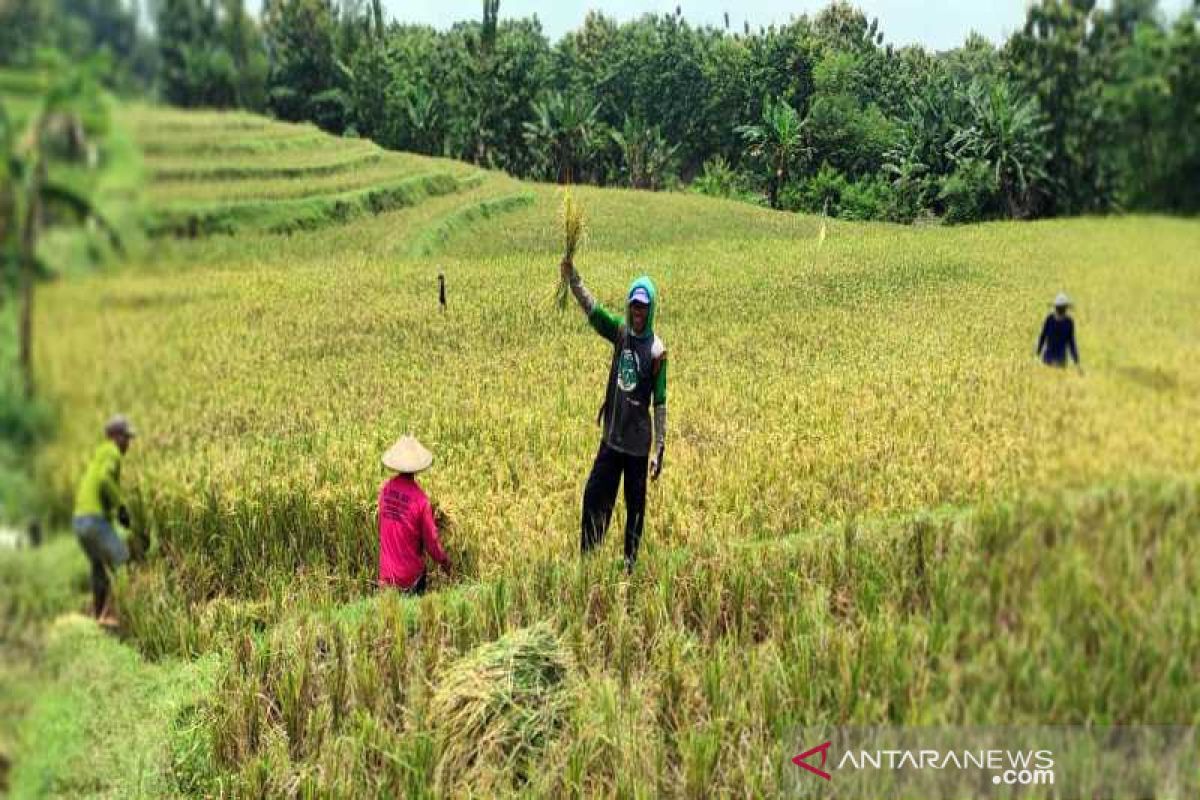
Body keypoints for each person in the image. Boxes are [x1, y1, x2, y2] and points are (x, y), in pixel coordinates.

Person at [561, 256, 667, 572]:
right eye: (634, 306)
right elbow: (595, 312)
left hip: (636, 446)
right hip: (612, 439)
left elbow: (660, 401)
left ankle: (630, 564)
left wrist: (659, 448)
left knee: (635, 507)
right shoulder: (620, 335)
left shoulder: (657, 351)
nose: (637, 312)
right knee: (595, 497)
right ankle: (588, 562)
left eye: (643, 307)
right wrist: (573, 279)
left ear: (651, 310)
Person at [72, 414, 136, 624]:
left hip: (79, 522)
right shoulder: (112, 452)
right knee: (121, 558)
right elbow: (104, 478)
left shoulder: (98, 454)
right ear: (115, 437)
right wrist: (121, 507)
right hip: (93, 519)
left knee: (99, 566)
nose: (128, 443)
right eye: (126, 437)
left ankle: (98, 615)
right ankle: (109, 614)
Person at [378, 435, 450, 595]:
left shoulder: (385, 491)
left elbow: (382, 528)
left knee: (387, 619)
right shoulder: (421, 501)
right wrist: (445, 562)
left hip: (385, 577)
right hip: (409, 579)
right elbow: (432, 542)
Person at [1037, 292, 1081, 369]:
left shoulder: (1069, 322)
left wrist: (1076, 362)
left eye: (1063, 308)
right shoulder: (1049, 319)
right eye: (1060, 307)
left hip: (1061, 360)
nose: (1061, 310)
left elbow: (1071, 342)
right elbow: (1042, 337)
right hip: (1048, 358)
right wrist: (1037, 353)